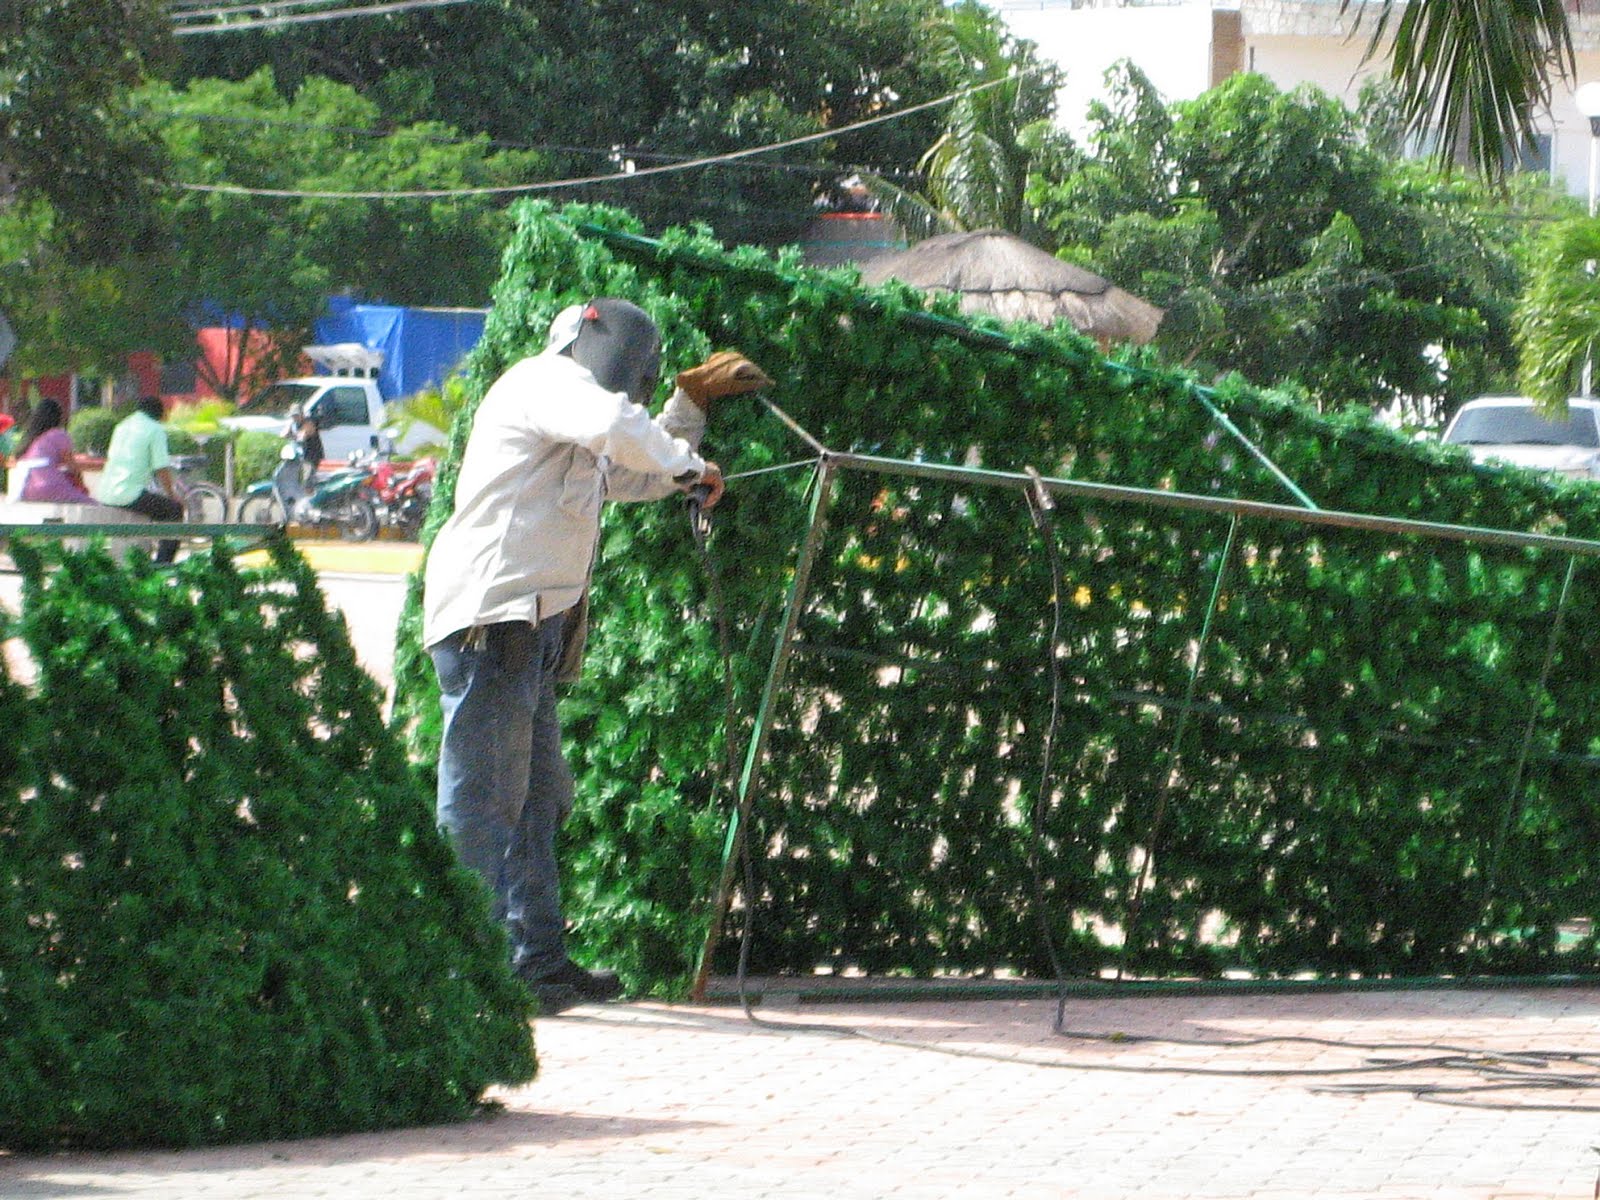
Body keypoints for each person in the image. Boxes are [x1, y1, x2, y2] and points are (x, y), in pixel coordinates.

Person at [422, 298, 771, 1014]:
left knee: (538, 799)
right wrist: (689, 462)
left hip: (530, 630)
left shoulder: (580, 418)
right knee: (484, 803)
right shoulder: (542, 383)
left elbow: (637, 471)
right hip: (492, 621)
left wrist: (688, 406)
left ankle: (536, 965)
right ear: (590, 343)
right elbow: (622, 431)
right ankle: (462, 974)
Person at [94, 396, 183, 564]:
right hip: (128, 495)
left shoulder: (122, 426)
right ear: (160, 413)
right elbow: (161, 468)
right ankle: (163, 564)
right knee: (174, 510)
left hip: (104, 492)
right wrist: (171, 494)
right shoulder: (155, 429)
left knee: (153, 503)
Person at [11, 399, 93, 504]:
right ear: (58, 416)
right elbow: (73, 468)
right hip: (51, 487)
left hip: (27, 490)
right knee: (93, 506)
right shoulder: (58, 434)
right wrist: (83, 487)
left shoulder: (29, 439)